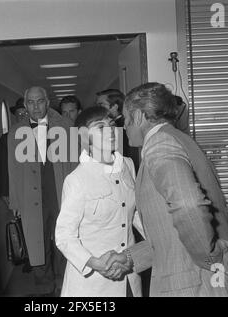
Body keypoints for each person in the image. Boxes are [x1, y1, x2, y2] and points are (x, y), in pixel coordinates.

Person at [112, 82, 228, 296]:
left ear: (139, 116)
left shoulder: (159, 146)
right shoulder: (181, 140)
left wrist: (212, 257)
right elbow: (172, 234)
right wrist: (129, 258)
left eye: (125, 119)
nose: (124, 127)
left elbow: (188, 205)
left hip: (199, 284)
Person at [55, 106, 143, 297]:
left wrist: (158, 239)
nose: (110, 130)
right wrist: (96, 263)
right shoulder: (76, 180)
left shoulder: (128, 164)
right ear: (85, 136)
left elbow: (134, 212)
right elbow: (64, 236)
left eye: (111, 124)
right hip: (93, 284)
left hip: (129, 274)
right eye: (100, 127)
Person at [7, 86, 76, 296]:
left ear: (47, 102)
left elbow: (74, 165)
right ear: (25, 105)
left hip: (60, 194)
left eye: (40, 101)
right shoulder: (16, 132)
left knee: (65, 242)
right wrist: (16, 202)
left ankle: (67, 287)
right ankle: (45, 290)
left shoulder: (65, 127)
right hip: (31, 197)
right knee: (37, 244)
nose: (35, 106)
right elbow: (13, 169)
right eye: (30, 102)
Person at [95, 89, 140, 171]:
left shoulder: (120, 127)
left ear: (115, 106)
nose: (97, 108)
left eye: (101, 104)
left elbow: (121, 155)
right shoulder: (120, 125)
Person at [0, 97, 29, 204]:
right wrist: (5, 195)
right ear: (15, 117)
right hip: (18, 192)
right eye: (19, 114)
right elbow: (2, 168)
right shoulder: (7, 138)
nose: (23, 117)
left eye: (27, 113)